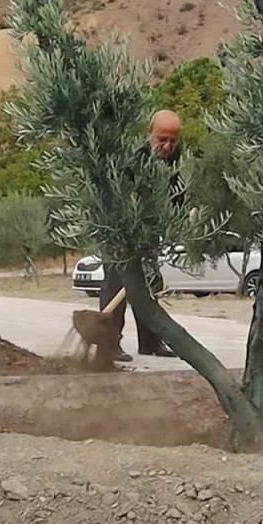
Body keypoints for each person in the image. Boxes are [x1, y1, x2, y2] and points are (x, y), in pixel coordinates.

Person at [98, 109, 183, 361]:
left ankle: (150, 342)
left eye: (172, 140)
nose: (167, 145)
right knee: (115, 283)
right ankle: (109, 344)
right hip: (118, 231)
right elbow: (116, 196)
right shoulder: (131, 157)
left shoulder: (174, 159)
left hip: (148, 234)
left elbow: (178, 194)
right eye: (162, 139)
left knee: (149, 283)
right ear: (150, 133)